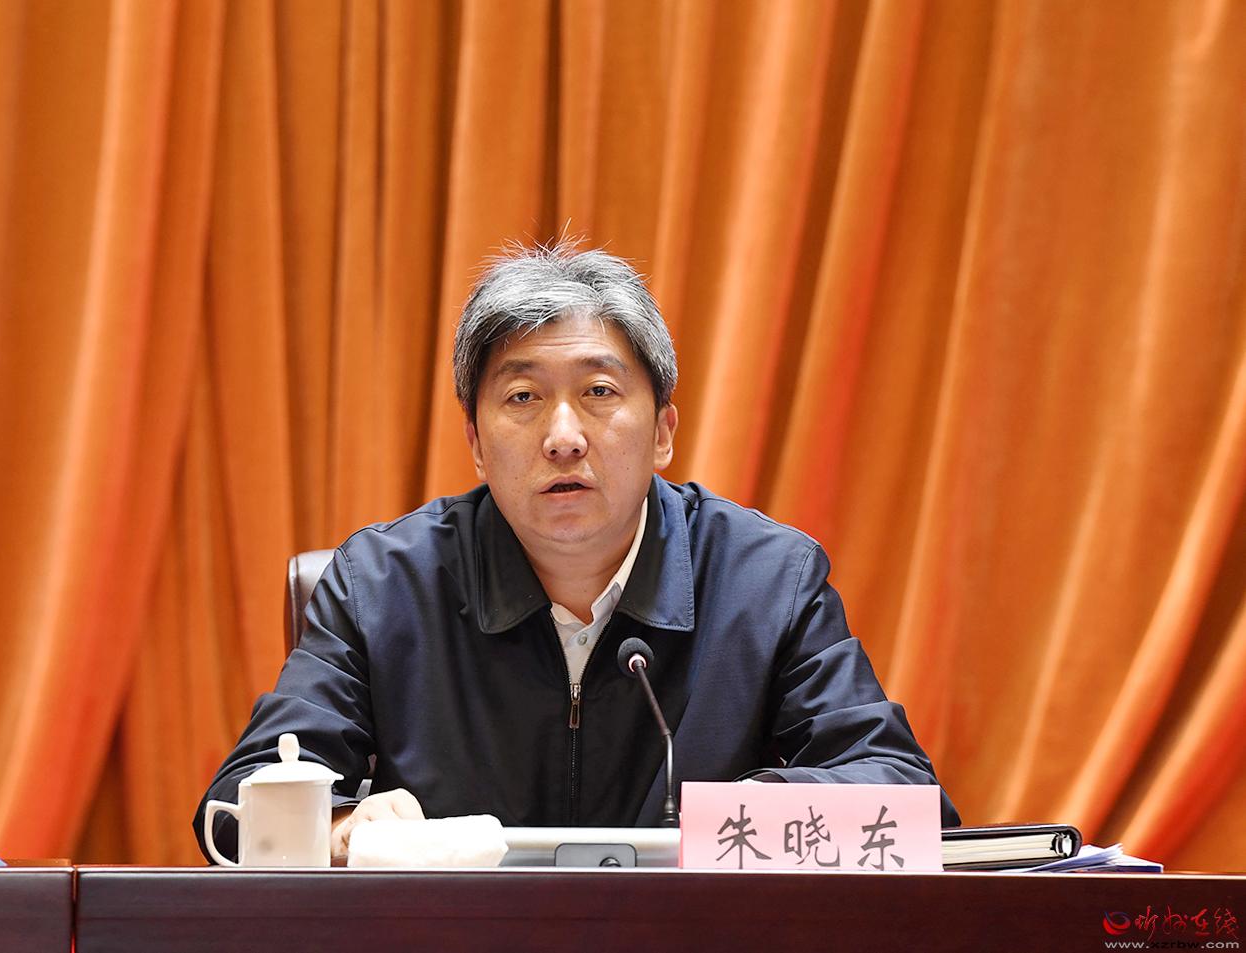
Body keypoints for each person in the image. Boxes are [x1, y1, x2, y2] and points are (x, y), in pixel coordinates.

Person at [195, 243, 959, 863]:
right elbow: (238, 800)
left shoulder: (766, 580)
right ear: (475, 444)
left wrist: (744, 816)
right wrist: (338, 826)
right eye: (522, 397)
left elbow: (903, 796)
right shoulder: (382, 585)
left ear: (661, 432)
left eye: (598, 392)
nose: (563, 436)